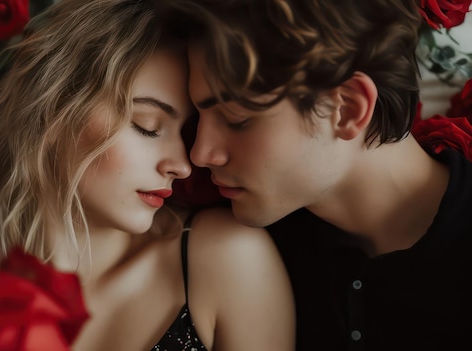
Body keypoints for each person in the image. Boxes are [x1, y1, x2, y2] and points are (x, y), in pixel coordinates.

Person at [0, 0, 294, 350]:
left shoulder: (226, 258)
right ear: (55, 111)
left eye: (184, 132)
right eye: (149, 127)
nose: (183, 165)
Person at [158, 0, 472, 350]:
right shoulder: (254, 249)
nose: (200, 154)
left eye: (236, 118)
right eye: (196, 119)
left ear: (347, 108)